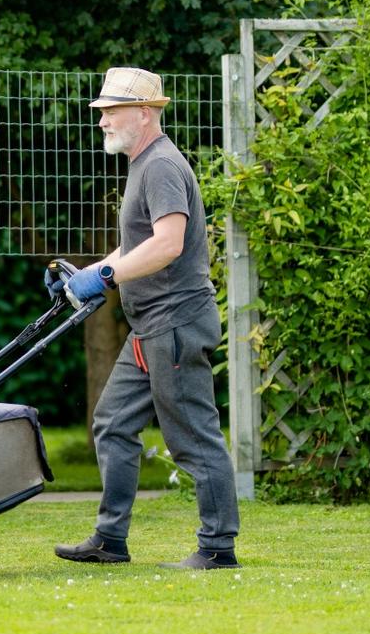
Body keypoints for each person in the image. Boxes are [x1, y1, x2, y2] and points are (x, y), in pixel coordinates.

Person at [53, 66, 240, 570]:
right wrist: (87, 275)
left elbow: (168, 244)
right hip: (149, 325)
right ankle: (110, 540)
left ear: (145, 112)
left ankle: (218, 548)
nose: (103, 121)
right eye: (102, 112)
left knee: (193, 439)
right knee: (112, 424)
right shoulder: (142, 164)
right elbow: (137, 245)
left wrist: (108, 276)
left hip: (175, 323)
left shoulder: (159, 166)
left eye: (111, 111)